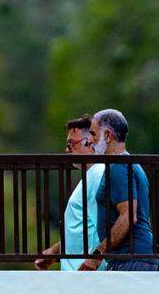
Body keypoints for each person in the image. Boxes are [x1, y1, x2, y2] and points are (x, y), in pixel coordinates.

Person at [80, 108, 156, 272]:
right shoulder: (125, 163)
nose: (89, 141)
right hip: (131, 257)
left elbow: (128, 216)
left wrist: (97, 256)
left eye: (93, 134)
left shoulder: (119, 166)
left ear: (107, 136)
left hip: (130, 259)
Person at [34, 116, 107, 271]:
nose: (67, 150)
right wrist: (54, 251)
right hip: (79, 274)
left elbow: (104, 230)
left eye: (71, 144)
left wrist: (94, 261)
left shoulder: (97, 176)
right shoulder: (90, 176)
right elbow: (81, 231)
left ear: (90, 143)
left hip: (86, 275)